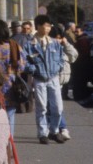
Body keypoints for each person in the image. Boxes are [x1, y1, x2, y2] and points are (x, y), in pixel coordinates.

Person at [23, 14, 68, 144]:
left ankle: (54, 131)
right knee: (42, 107)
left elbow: (61, 59)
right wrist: (34, 70)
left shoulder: (55, 43)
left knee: (58, 107)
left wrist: (58, 67)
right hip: (39, 79)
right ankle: (43, 133)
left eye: (49, 26)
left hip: (54, 78)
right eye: (45, 25)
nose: (48, 28)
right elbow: (24, 63)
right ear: (38, 26)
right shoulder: (29, 45)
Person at [0, 20, 23, 134]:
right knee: (10, 115)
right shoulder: (13, 46)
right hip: (10, 87)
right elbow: (21, 66)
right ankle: (9, 142)